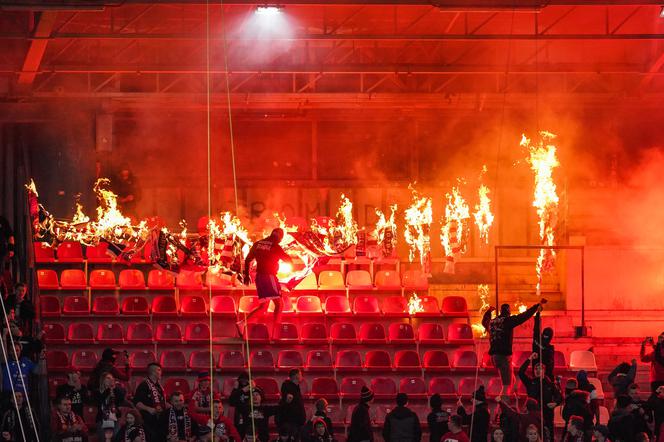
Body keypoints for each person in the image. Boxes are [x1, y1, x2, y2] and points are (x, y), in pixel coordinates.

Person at [482, 300, 546, 396]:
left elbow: (484, 321)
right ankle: (502, 407)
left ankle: (510, 402)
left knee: (512, 381)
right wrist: (536, 306)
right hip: (503, 356)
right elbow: (523, 316)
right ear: (508, 312)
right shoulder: (507, 321)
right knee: (506, 386)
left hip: (495, 357)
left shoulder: (492, 322)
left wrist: (489, 312)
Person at [238, 228, 292, 338]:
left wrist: (246, 275)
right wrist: (286, 254)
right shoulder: (276, 246)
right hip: (269, 277)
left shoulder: (257, 244)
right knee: (279, 304)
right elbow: (288, 260)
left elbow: (248, 259)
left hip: (259, 278)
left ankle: (242, 323)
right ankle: (276, 334)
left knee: (263, 307)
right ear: (280, 237)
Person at [518, 352, 562, 441]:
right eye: (536, 369)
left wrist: (555, 403)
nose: (538, 370)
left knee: (548, 436)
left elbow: (560, 397)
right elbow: (521, 372)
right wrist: (529, 358)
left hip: (547, 414)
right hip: (533, 414)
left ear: (544, 370)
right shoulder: (530, 382)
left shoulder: (550, 384)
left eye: (540, 368)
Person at [133, 362, 166, 442]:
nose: (161, 372)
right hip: (148, 418)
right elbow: (137, 403)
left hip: (159, 417)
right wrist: (149, 409)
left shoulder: (159, 386)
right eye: (159, 370)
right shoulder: (144, 385)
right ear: (153, 372)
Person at [95, 372, 126, 441]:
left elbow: (122, 397)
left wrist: (115, 387)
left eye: (112, 378)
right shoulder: (97, 391)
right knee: (104, 439)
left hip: (115, 418)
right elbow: (100, 400)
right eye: (108, 378)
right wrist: (109, 389)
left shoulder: (115, 390)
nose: (111, 380)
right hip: (102, 418)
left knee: (116, 438)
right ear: (103, 380)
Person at [277, 368, 306, 437]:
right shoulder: (287, 387)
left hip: (296, 423)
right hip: (291, 423)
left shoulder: (295, 387)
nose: (302, 376)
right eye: (300, 374)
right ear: (297, 376)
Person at [228, 372, 253, 440]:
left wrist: (252, 387)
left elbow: (260, 399)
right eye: (242, 380)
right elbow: (231, 402)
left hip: (250, 414)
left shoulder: (252, 389)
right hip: (239, 415)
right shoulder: (237, 390)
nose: (244, 381)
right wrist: (240, 390)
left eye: (246, 379)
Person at [532, 310, 555, 380]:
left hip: (535, 373)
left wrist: (537, 314)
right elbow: (550, 367)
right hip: (546, 377)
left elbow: (536, 329)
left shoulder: (536, 339)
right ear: (551, 337)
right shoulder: (550, 349)